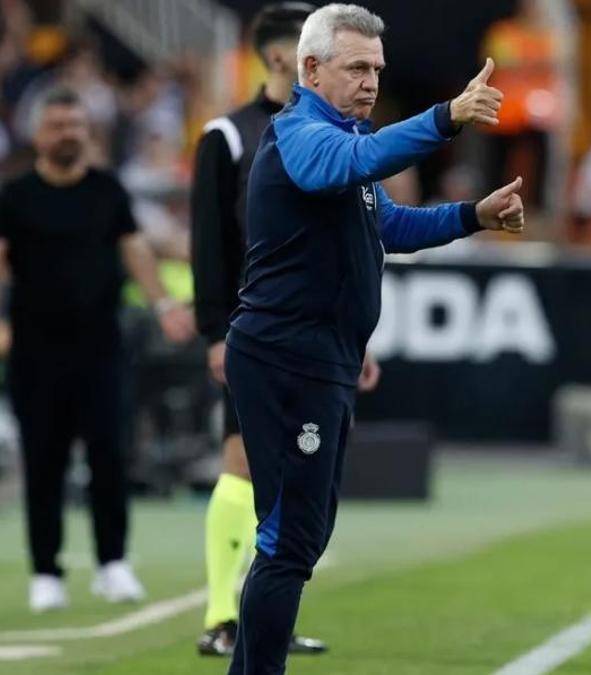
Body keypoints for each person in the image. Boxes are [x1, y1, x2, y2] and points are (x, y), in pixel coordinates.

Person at [223, 6, 523, 673]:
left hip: (320, 356)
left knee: (297, 536)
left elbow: (390, 227)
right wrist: (446, 117)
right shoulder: (301, 135)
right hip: (285, 356)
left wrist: (475, 215)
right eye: (356, 67)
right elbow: (358, 162)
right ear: (310, 69)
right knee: (289, 539)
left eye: (377, 70)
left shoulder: (344, 145)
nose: (369, 83)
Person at [0, 86, 195, 613]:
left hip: (101, 347)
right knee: (44, 462)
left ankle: (114, 564)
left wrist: (162, 305)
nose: (69, 135)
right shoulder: (14, 196)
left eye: (76, 126)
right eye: (59, 126)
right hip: (36, 352)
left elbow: (133, 248)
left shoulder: (107, 190)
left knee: (110, 454)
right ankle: (46, 572)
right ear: (39, 133)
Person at [190, 2, 336, 658]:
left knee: (291, 477)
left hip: (317, 338)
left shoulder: (328, 132)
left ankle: (262, 613)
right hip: (256, 331)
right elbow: (209, 241)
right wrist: (215, 331)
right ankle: (223, 614)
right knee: (241, 457)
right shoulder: (227, 134)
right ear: (284, 57)